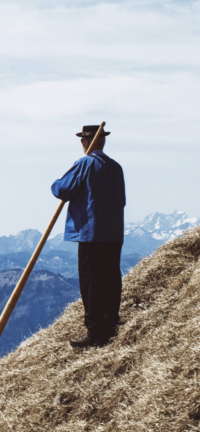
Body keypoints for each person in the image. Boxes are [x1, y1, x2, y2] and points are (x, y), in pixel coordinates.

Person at [51, 125, 126, 348]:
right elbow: (121, 200)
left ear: (85, 143)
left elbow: (62, 189)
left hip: (91, 233)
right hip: (114, 232)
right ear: (102, 141)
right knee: (111, 278)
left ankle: (96, 333)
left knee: (91, 281)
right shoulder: (116, 167)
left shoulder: (84, 164)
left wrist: (57, 182)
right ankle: (111, 324)